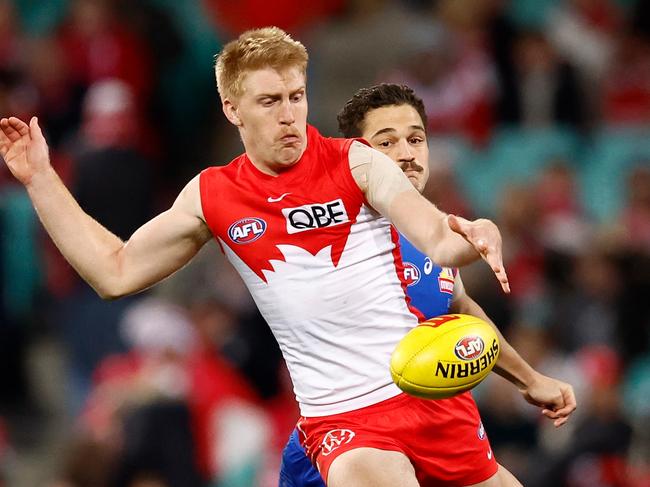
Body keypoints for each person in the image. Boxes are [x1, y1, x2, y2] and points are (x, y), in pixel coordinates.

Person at [0, 27, 538, 486]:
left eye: (297, 97)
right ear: (232, 108)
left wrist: (478, 234)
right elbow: (114, 272)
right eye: (270, 101)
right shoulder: (214, 196)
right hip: (345, 422)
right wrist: (40, 178)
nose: (289, 116)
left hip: (434, 404)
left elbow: (438, 239)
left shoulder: (357, 163)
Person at [279, 83, 578, 487]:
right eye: (386, 142)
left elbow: (457, 306)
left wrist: (531, 379)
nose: (406, 153)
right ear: (355, 155)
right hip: (348, 440)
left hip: (434, 423)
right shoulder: (331, 234)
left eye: (416, 139)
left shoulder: (431, 233)